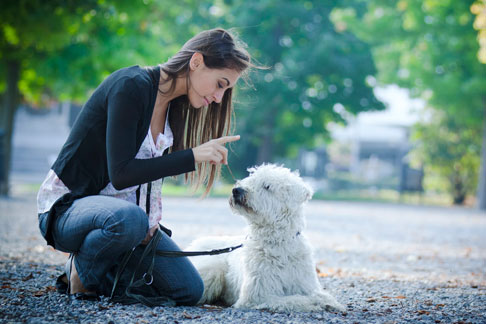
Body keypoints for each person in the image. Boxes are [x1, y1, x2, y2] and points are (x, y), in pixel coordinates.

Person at [36, 28, 253, 305]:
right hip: (69, 208)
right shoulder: (131, 85)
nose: (219, 97)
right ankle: (79, 272)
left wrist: (151, 225)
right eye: (220, 84)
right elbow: (122, 173)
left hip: (129, 222)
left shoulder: (176, 106)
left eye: (226, 89)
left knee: (189, 290)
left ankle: (106, 268)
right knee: (130, 220)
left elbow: (149, 181)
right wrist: (191, 156)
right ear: (196, 62)